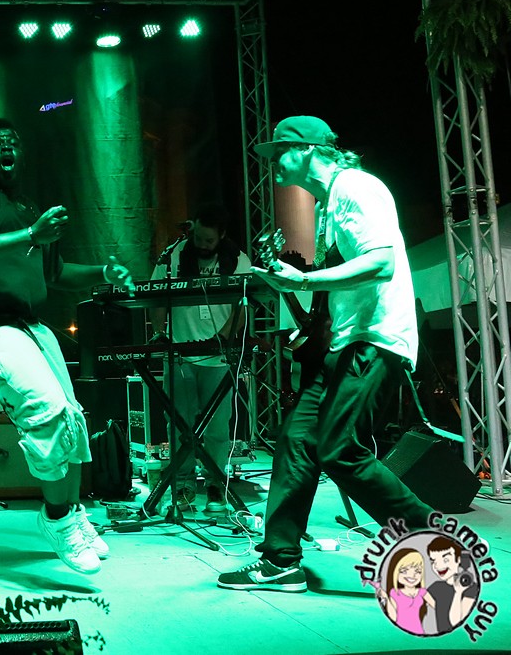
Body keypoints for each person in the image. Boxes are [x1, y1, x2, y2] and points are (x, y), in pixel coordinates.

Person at [218, 115, 433, 592]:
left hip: (374, 340)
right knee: (297, 439)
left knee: (339, 449)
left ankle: (432, 541)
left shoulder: (357, 187)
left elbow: (381, 262)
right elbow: (343, 279)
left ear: (310, 151)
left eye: (281, 151)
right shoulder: (328, 204)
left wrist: (306, 280)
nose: (273, 162)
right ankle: (280, 561)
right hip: (343, 342)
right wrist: (296, 288)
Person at [0, 117, 135, 574]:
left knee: (71, 417)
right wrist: (31, 235)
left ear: (22, 155)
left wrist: (103, 273)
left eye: (13, 142)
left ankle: (73, 512)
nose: (6, 148)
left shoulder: (29, 208)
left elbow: (55, 273)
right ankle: (57, 517)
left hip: (30, 327)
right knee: (45, 411)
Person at [149, 203, 251, 515]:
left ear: (222, 235)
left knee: (218, 428)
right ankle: (183, 486)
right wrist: (159, 332)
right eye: (199, 239)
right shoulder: (173, 257)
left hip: (218, 358)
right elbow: (154, 296)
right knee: (179, 425)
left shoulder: (238, 260)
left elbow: (243, 305)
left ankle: (216, 486)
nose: (204, 245)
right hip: (180, 354)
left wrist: (222, 338)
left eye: (210, 240)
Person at [426, 536, 478, 632]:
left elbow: (455, 622)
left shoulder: (470, 588)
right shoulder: (436, 587)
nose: (438, 565)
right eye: (434, 561)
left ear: (458, 559)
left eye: (446, 560)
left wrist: (458, 592)